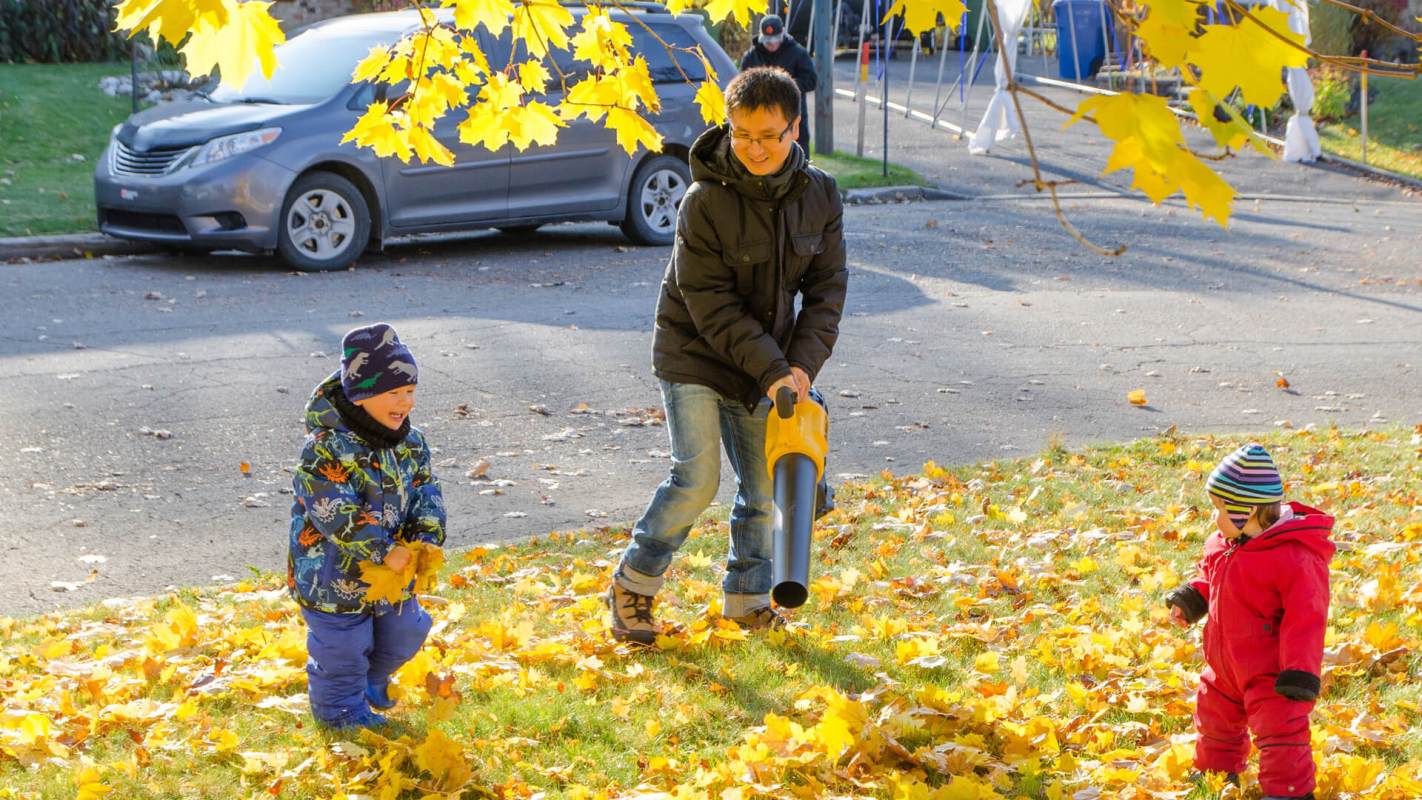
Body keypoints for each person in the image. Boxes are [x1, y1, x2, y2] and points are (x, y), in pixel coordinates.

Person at [606, 67, 847, 644]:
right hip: (694, 352)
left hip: (768, 365)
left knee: (765, 487)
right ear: (727, 126)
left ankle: (747, 601)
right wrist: (773, 369)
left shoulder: (820, 194)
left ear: (794, 130)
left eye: (767, 135)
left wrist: (800, 368)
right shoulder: (703, 200)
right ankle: (633, 586)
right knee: (697, 479)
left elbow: (827, 290)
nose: (753, 148)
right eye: (742, 134)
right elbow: (708, 303)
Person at [287, 323, 446, 728]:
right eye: (394, 393)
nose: (405, 402)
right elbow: (332, 511)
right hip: (332, 577)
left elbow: (426, 488)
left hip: (393, 573)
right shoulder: (324, 447)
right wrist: (381, 550)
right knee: (343, 649)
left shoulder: (411, 442)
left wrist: (426, 536)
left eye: (410, 392)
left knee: (406, 631)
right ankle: (343, 716)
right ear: (361, 396)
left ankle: (372, 679)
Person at [1164, 443, 1334, 800]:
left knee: (1281, 733)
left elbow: (1308, 617)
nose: (1215, 518)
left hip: (1271, 672)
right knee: (1214, 722)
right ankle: (1215, 775)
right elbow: (1211, 576)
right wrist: (1193, 598)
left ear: (1249, 510)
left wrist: (1300, 672)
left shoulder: (1293, 558)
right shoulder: (1224, 542)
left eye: (1222, 509)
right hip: (1224, 666)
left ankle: (1288, 791)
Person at [739, 14, 817, 154]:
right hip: (762, 118)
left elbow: (811, 80)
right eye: (768, 41)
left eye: (775, 40)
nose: (772, 44)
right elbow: (742, 84)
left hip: (791, 116)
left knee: (798, 157)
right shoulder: (751, 57)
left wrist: (784, 86)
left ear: (782, 33)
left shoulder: (798, 53)